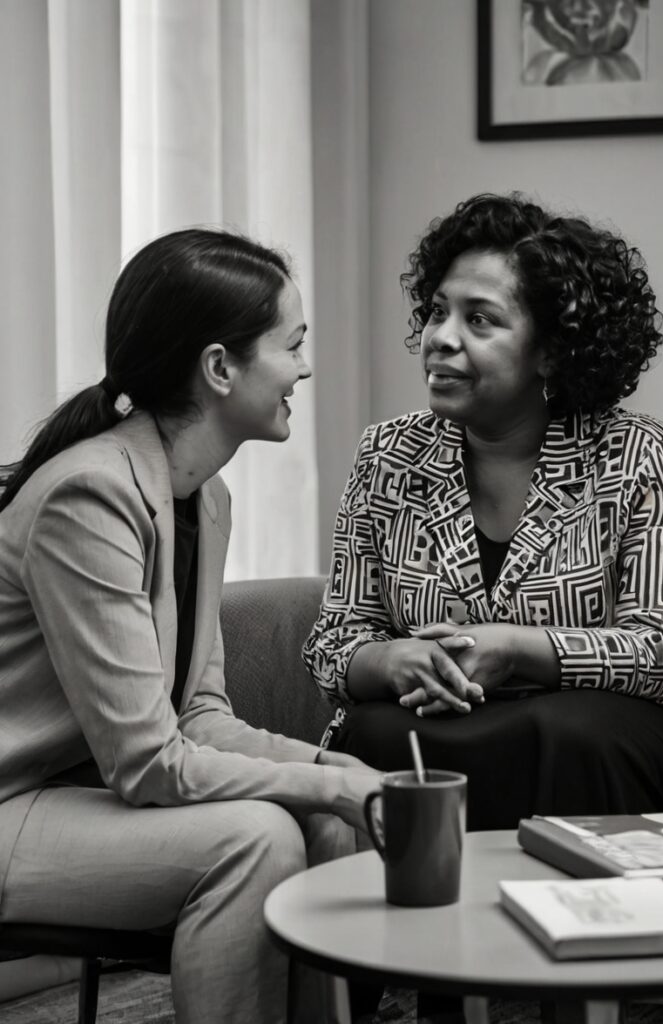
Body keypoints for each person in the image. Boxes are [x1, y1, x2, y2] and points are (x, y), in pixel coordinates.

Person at [0, 228, 380, 1024]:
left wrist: (334, 771)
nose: (304, 368)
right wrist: (332, 783)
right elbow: (148, 761)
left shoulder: (205, 496)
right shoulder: (87, 496)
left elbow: (197, 717)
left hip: (77, 795)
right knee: (256, 839)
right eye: (292, 346)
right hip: (17, 803)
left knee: (325, 823)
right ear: (219, 368)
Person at [303, 192, 663, 832]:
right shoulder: (387, 455)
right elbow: (334, 640)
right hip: (438, 729)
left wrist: (514, 648)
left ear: (551, 350)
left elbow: (660, 647)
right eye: (437, 311)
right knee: (375, 731)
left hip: (591, 743)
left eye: (479, 319)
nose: (441, 338)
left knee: (576, 729)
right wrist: (390, 661)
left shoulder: (638, 454)